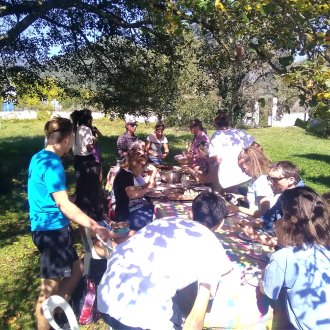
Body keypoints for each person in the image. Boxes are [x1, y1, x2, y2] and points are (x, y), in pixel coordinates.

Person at [97, 191, 233, 329]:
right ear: (220, 224)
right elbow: (197, 317)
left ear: (190, 214)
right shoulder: (213, 247)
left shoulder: (165, 221)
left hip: (105, 299)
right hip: (138, 320)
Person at [27, 117, 111, 330]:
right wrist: (95, 225)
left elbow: (49, 195)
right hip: (52, 231)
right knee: (47, 293)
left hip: (48, 229)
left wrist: (67, 200)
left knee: (77, 268)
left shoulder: (39, 157)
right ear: (66, 139)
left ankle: (57, 313)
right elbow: (63, 205)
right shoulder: (53, 164)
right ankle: (46, 319)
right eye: (72, 138)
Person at [259, 186, 330, 330]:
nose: (274, 223)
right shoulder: (324, 252)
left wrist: (261, 279)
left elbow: (268, 292)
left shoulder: (283, 257)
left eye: (280, 216)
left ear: (289, 222)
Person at [241, 160, 304, 246]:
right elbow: (268, 218)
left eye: (275, 179)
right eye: (269, 178)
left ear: (291, 180)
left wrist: (255, 236)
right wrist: (250, 224)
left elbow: (291, 242)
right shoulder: (286, 194)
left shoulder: (301, 202)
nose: (270, 183)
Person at [208, 112, 255, 193]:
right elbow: (258, 147)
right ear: (228, 123)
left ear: (215, 125)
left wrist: (206, 159)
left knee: (231, 202)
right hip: (245, 175)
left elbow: (217, 159)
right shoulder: (240, 133)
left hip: (228, 178)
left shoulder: (216, 136)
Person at [113, 147, 157, 231]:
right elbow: (133, 194)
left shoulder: (132, 173)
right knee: (158, 218)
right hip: (127, 216)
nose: (144, 169)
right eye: (143, 166)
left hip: (135, 210)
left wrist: (151, 179)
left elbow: (145, 187)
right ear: (135, 164)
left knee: (156, 210)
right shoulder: (126, 175)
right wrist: (148, 188)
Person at [226, 144, 274, 218]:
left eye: (243, 168)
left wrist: (238, 209)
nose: (242, 171)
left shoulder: (261, 182)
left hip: (258, 223)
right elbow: (256, 200)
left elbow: (264, 213)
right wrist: (241, 197)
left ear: (252, 163)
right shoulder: (255, 178)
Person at [70, 109, 99, 179]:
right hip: (85, 160)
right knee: (87, 181)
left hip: (76, 159)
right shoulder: (86, 129)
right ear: (88, 119)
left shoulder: (74, 129)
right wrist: (94, 141)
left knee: (79, 181)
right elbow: (89, 148)